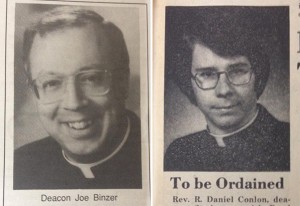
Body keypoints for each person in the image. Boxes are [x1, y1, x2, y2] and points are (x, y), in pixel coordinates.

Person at [14, 7, 141, 189]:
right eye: (52, 83)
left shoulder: (155, 154)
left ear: (123, 83)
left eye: (91, 78)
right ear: (35, 92)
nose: (73, 103)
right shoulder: (21, 166)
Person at [164, 7, 290, 171]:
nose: (224, 90)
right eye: (207, 74)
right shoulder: (179, 153)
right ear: (189, 84)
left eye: (237, 71)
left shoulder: (290, 143)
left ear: (257, 76)